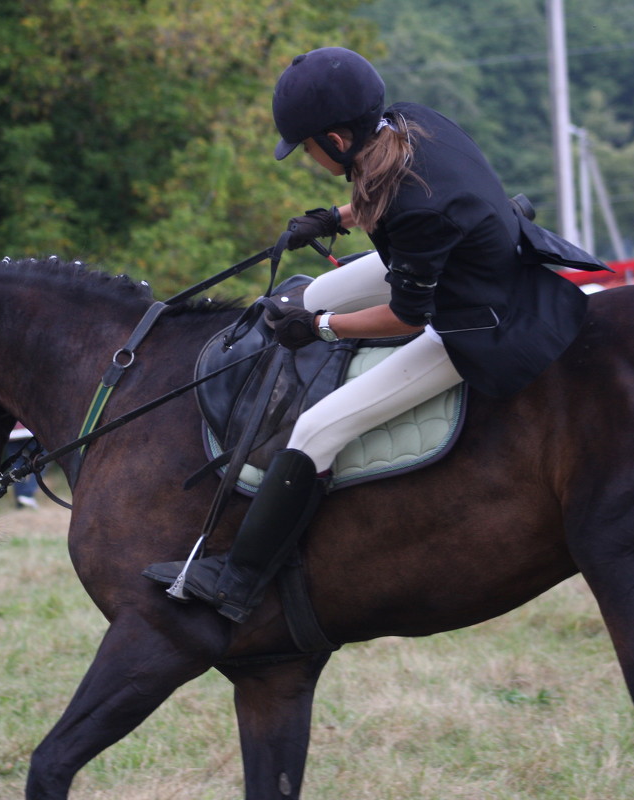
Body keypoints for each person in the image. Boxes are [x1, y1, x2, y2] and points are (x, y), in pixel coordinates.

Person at [146, 47, 599, 623]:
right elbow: (389, 192)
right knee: (295, 295)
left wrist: (320, 328)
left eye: (306, 146)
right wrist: (335, 219)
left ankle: (238, 580)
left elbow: (410, 316)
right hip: (454, 258)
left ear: (336, 140)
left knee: (315, 430)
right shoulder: (410, 121)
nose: (305, 157)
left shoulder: (415, 207)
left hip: (479, 320)